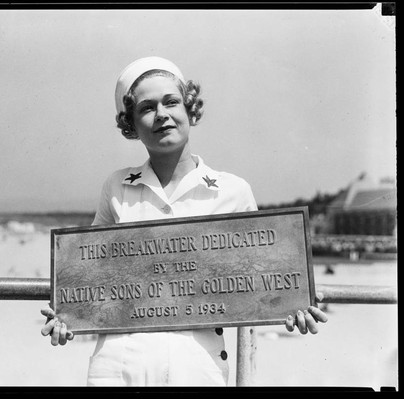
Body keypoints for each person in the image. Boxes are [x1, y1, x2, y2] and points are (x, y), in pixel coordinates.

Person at [41, 56, 328, 386]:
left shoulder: (233, 191)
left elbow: (267, 277)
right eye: (147, 108)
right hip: (118, 368)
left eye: (171, 102)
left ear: (190, 108)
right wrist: (67, 317)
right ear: (131, 124)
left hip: (199, 366)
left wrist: (296, 304)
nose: (161, 114)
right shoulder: (117, 187)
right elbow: (86, 277)